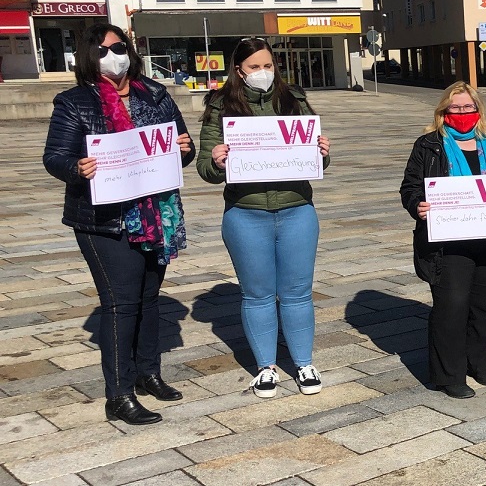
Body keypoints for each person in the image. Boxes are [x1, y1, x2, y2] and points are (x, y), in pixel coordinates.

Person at [43, 23, 194, 425]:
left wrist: (184, 149)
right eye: (103, 50)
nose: (114, 55)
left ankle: (148, 373)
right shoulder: (74, 102)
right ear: (89, 57)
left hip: (156, 213)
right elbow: (54, 157)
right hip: (105, 221)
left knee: (149, 298)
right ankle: (119, 394)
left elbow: (182, 146)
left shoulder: (156, 93)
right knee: (121, 304)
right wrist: (77, 167)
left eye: (120, 47)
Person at [197, 38, 331, 399]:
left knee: (297, 293)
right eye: (254, 67)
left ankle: (304, 363)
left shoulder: (293, 99)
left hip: (297, 209)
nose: (262, 72)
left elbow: (316, 159)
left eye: (268, 65)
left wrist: (321, 152)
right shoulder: (221, 105)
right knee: (257, 295)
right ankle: (266, 368)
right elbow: (205, 169)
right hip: (246, 213)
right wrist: (217, 161)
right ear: (239, 70)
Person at [400, 81, 486, 399]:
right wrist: (418, 205)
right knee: (452, 305)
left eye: (467, 107)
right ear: (444, 111)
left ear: (478, 109)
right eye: (455, 108)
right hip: (448, 242)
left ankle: (479, 363)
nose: (461, 113)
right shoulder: (429, 145)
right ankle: (449, 374)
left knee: (484, 305)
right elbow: (410, 187)